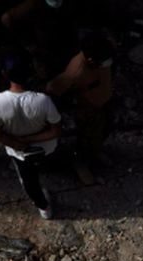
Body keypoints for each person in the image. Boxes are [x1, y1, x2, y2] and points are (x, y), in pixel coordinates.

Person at [0, 53, 62, 219]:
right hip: (46, 147)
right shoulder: (43, 100)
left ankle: (44, 208)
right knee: (47, 162)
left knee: (29, 181)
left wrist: (17, 142)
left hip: (20, 152)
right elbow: (55, 131)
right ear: (31, 74)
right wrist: (30, 139)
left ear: (4, 74)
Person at [46, 30, 113, 184]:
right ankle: (81, 164)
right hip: (88, 108)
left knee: (105, 128)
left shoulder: (104, 50)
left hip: (105, 101)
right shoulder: (76, 71)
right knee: (87, 138)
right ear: (90, 59)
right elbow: (53, 88)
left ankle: (96, 152)